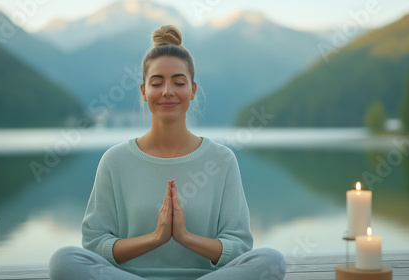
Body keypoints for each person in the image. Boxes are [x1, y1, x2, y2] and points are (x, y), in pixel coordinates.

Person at [49, 25, 286, 280]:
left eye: (179, 82)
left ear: (193, 90)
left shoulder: (221, 159)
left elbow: (239, 246)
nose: (167, 91)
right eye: (157, 82)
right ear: (144, 92)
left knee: (271, 260)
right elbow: (95, 243)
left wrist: (185, 237)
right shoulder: (115, 160)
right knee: (64, 260)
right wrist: (155, 238)